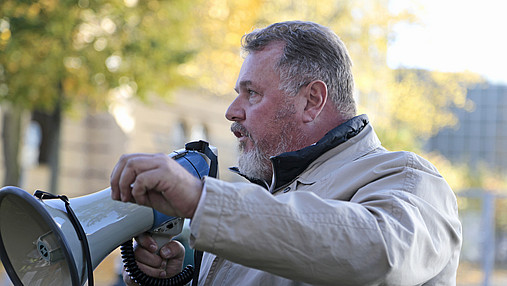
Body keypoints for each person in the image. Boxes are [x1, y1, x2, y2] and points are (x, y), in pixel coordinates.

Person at [110, 20, 462, 285]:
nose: (232, 111)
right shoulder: (259, 193)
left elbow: (382, 253)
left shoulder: (410, 178)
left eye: (252, 94)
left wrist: (202, 200)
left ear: (312, 101)